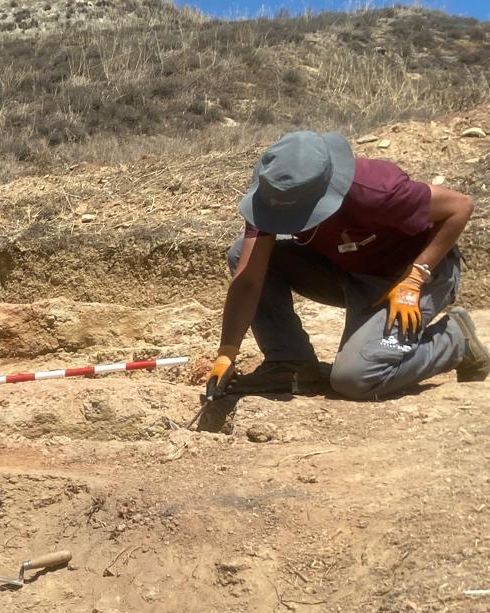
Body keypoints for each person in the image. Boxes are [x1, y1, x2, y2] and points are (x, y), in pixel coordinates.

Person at [204, 130, 487, 410]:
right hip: (349, 271)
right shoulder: (274, 195)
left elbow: (460, 206)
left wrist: (414, 278)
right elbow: (249, 280)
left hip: (410, 276)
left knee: (356, 378)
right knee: (244, 251)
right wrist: (227, 351)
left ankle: (454, 340)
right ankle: (290, 363)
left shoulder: (375, 190)